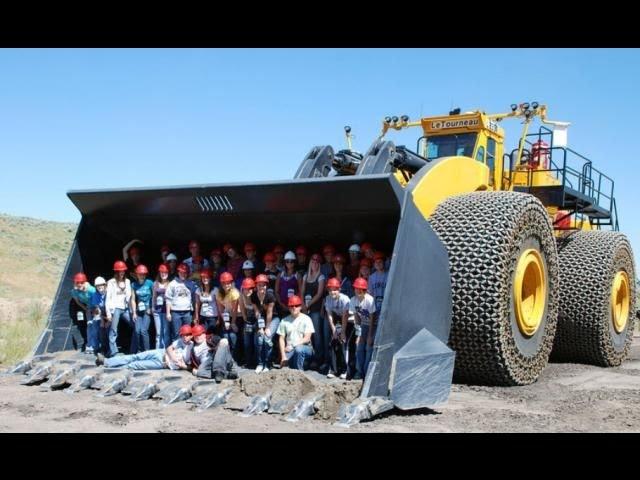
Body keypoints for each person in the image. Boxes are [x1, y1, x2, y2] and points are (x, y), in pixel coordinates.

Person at [96, 324, 194, 370]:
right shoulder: (180, 341)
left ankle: (111, 368)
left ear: (192, 335)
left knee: (135, 365)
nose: (185, 337)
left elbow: (190, 366)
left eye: (188, 335)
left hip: (163, 363)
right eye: (183, 335)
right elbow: (169, 348)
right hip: (161, 353)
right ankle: (106, 361)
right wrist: (172, 357)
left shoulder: (192, 348)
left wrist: (182, 366)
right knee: (135, 356)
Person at [300, 253, 328, 371]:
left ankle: (319, 359)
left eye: (317, 262)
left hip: (315, 309)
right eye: (313, 261)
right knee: (305, 334)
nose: (314, 264)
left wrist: (308, 304)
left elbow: (320, 294)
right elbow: (301, 292)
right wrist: (302, 305)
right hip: (306, 309)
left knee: (317, 335)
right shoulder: (306, 276)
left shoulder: (321, 277)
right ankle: (308, 358)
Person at [324, 277, 355, 379]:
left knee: (343, 342)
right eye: (330, 290)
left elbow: (346, 316)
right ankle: (333, 369)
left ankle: (345, 369)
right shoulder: (328, 299)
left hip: (349, 321)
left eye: (335, 289)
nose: (332, 292)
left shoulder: (345, 299)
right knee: (332, 342)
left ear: (339, 290)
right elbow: (329, 315)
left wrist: (342, 332)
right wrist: (334, 330)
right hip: (338, 320)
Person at [105, 260, 134, 357]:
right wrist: (108, 313)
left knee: (135, 325)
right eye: (119, 271)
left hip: (125, 308)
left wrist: (132, 311)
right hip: (115, 308)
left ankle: (134, 348)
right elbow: (108, 299)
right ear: (116, 272)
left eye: (123, 271)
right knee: (113, 330)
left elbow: (129, 297)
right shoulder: (111, 282)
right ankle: (113, 351)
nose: (121, 273)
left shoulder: (128, 281)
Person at [277, 295, 314, 371]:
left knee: (298, 349)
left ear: (300, 306)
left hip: (305, 348)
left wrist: (293, 345)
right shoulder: (284, 320)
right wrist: (283, 356)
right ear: (288, 307)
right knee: (284, 367)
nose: (294, 308)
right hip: (290, 349)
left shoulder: (307, 319)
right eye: (291, 306)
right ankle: (296, 366)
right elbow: (281, 339)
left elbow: (307, 339)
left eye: (296, 305)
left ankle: (299, 372)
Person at [349, 277, 376, 379]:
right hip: (363, 324)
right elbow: (356, 318)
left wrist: (370, 336)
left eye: (361, 289)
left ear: (365, 290)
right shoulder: (353, 300)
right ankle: (359, 372)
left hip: (373, 325)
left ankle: (367, 372)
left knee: (369, 347)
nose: (358, 291)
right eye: (356, 289)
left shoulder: (370, 300)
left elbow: (373, 319)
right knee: (359, 347)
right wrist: (358, 335)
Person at [251, 274, 279, 373]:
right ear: (256, 286)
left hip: (273, 318)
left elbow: (269, 313)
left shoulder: (270, 296)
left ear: (266, 286)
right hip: (261, 318)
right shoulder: (253, 296)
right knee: (259, 338)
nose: (261, 287)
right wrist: (260, 327)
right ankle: (260, 363)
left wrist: (267, 328)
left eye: (263, 285)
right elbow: (257, 313)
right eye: (259, 285)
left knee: (267, 338)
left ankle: (268, 363)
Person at [165, 263, 195, 340]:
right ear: (178, 272)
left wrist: (195, 313)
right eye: (181, 272)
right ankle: (177, 350)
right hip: (175, 312)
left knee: (188, 333)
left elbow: (194, 298)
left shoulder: (191, 284)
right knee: (176, 333)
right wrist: (168, 313)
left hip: (187, 311)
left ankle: (187, 350)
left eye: (185, 273)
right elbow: (168, 299)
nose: (183, 274)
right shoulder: (172, 283)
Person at [215, 271, 240, 356]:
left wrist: (232, 323)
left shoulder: (234, 293)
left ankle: (234, 357)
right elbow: (221, 309)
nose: (226, 285)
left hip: (236, 316)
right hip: (226, 315)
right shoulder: (219, 293)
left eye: (228, 283)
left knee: (232, 336)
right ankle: (226, 356)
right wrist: (225, 322)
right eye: (224, 283)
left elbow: (235, 310)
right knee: (225, 335)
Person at [70, 272, 96, 353]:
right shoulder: (74, 292)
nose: (79, 284)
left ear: (85, 282)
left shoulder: (91, 290)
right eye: (77, 283)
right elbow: (78, 302)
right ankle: (90, 345)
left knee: (96, 325)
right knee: (89, 324)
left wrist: (96, 310)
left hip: (97, 307)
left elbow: (99, 299)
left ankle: (99, 344)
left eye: (81, 282)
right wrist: (86, 309)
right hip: (88, 307)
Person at [131, 264, 154, 353]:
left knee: (144, 330)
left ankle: (147, 351)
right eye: (140, 274)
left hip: (148, 309)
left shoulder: (150, 283)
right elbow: (133, 299)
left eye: (144, 274)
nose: (142, 276)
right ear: (136, 274)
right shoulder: (134, 284)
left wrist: (151, 307)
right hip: (138, 310)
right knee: (137, 330)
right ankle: (139, 350)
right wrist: (134, 312)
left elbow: (154, 296)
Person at [275, 251, 302, 320]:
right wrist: (281, 304)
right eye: (287, 261)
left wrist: (294, 305)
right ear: (285, 262)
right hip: (281, 307)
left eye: (291, 261)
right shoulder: (280, 275)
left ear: (294, 262)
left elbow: (300, 292)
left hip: (294, 307)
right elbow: (276, 291)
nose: (289, 263)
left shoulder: (298, 275)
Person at [239, 277, 258, 368]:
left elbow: (258, 312)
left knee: (256, 342)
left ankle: (256, 362)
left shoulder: (256, 296)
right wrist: (245, 318)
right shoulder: (241, 296)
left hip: (257, 321)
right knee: (247, 342)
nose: (248, 291)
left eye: (250, 288)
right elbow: (242, 308)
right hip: (248, 320)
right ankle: (248, 362)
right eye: (246, 288)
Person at [152, 263, 171, 348]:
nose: (164, 274)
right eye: (162, 272)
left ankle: (166, 352)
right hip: (157, 311)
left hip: (165, 311)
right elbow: (154, 297)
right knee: (159, 333)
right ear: (159, 273)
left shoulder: (170, 284)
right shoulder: (155, 283)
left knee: (166, 332)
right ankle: (157, 351)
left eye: (165, 272)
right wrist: (152, 307)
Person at [88, 276, 108, 355]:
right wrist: (102, 320)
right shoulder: (95, 295)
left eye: (101, 285)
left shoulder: (109, 293)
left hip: (110, 314)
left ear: (104, 285)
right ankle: (98, 347)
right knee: (97, 326)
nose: (100, 287)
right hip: (102, 314)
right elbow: (97, 308)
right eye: (97, 285)